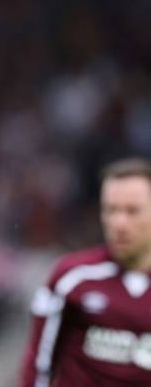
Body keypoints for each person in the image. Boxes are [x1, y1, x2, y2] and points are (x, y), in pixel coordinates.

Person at [20, 157, 151, 387]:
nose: (119, 223)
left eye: (132, 211)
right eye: (111, 210)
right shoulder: (72, 279)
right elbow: (38, 367)